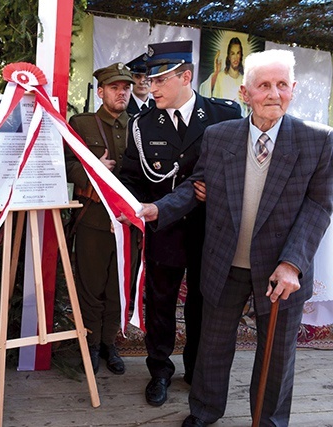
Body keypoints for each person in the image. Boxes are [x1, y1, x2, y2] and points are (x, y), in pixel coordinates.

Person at [139, 49, 333, 427]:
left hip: (282, 270)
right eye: (264, 85)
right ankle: (205, 411)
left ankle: (269, 421)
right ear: (246, 93)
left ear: (292, 89)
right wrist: (159, 209)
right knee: (212, 346)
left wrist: (293, 264)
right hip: (225, 261)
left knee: (277, 354)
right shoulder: (219, 135)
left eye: (281, 85)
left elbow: (318, 207)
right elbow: (197, 185)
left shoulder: (319, 141)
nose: (273, 93)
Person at [119, 40, 241, 407]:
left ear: (186, 77)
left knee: (204, 303)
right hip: (164, 227)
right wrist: (133, 205)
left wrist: (215, 190)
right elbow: (130, 176)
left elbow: (239, 170)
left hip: (210, 229)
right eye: (148, 80)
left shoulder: (224, 115)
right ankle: (159, 370)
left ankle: (197, 368)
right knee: (160, 302)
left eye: (160, 80)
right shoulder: (142, 124)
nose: (150, 88)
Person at [65, 63, 135, 375]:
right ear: (101, 91)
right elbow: (65, 163)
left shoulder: (137, 125)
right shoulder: (81, 123)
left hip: (128, 222)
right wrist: (92, 169)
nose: (122, 93)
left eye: (126, 88)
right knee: (91, 286)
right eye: (115, 87)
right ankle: (91, 345)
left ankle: (109, 343)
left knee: (118, 287)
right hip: (93, 218)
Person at [199, 37, 247, 115]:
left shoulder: (244, 80)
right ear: (228, 56)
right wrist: (215, 74)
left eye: (238, 53)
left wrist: (247, 101)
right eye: (232, 53)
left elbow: (249, 111)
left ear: (241, 55)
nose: (235, 57)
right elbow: (203, 92)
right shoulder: (220, 77)